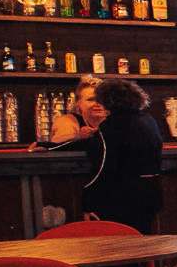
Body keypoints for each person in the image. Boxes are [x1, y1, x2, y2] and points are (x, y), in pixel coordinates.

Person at [48, 75, 163, 232]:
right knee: (142, 242)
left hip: (125, 196)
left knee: (117, 245)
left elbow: (103, 167)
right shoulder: (148, 120)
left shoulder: (112, 125)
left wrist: (88, 201)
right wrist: (48, 146)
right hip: (152, 192)